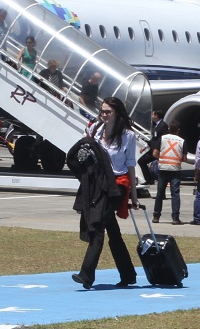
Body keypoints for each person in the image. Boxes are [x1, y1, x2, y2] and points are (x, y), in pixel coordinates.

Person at [69, 97, 139, 289]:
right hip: (99, 183)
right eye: (102, 111)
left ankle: (86, 274)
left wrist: (133, 196)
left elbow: (131, 165)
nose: (104, 115)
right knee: (113, 233)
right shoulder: (95, 130)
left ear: (117, 112)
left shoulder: (128, 135)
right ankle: (128, 274)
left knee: (97, 225)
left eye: (108, 112)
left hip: (118, 185)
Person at [153, 120, 185, 225]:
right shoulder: (182, 141)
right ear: (178, 130)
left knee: (160, 193)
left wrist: (162, 159)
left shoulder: (162, 138)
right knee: (175, 194)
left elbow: (155, 153)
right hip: (175, 169)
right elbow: (184, 158)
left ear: (168, 129)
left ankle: (156, 216)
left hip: (163, 168)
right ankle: (175, 218)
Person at [138, 110, 169, 185]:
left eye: (153, 114)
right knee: (141, 161)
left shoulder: (163, 125)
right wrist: (145, 146)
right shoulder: (156, 125)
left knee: (162, 167)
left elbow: (164, 138)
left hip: (158, 150)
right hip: (152, 150)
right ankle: (149, 179)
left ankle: (164, 180)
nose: (152, 115)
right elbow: (153, 139)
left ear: (156, 115)